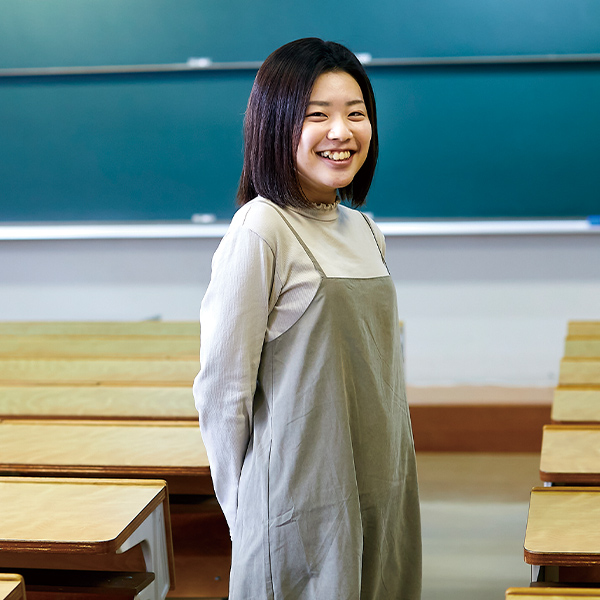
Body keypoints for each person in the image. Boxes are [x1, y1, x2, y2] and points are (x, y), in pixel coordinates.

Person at [193, 37, 422, 599]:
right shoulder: (262, 228)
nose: (341, 132)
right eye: (317, 116)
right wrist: (246, 509)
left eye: (356, 114)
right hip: (302, 498)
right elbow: (224, 389)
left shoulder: (366, 230)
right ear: (275, 124)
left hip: (382, 486)